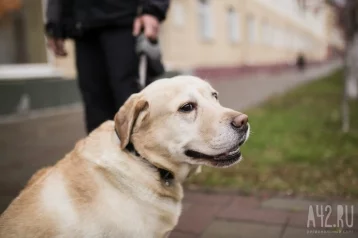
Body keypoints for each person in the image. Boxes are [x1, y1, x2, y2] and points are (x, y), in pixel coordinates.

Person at [45, 0, 169, 133]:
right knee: (96, 114)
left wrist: (153, 10)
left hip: (126, 22)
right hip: (83, 26)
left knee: (132, 109)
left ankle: (140, 152)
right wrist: (54, 22)